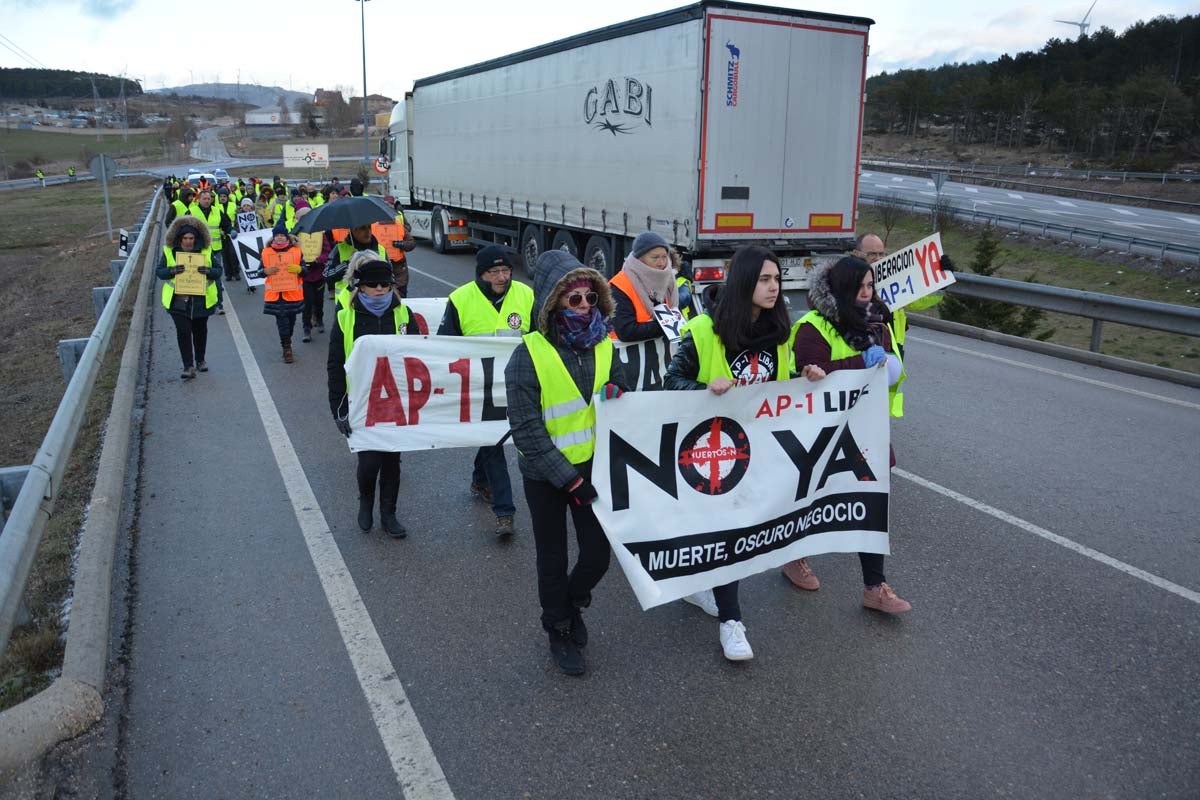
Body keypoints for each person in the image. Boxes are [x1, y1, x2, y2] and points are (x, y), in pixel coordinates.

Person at [664, 245, 824, 661]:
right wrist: (706, 390)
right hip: (711, 451)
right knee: (726, 531)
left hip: (759, 452)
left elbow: (777, 385)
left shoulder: (779, 332)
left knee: (731, 532)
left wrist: (803, 378)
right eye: (765, 280)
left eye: (777, 279)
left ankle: (705, 589)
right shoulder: (703, 329)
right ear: (743, 284)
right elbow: (671, 382)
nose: (775, 288)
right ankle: (732, 622)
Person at [504, 250, 632, 676]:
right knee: (552, 557)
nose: (583, 307)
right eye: (572, 299)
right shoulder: (528, 355)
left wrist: (618, 388)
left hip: (593, 468)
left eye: (589, 299)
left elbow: (622, 385)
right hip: (546, 476)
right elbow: (526, 429)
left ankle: (572, 603)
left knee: (597, 555)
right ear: (552, 302)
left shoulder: (604, 344)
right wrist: (569, 480)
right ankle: (557, 626)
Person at [788, 255, 912, 614]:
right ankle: (795, 557)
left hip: (866, 434)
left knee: (871, 507)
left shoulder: (879, 324)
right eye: (859, 287)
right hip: (820, 438)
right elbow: (809, 379)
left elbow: (890, 372)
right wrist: (862, 362)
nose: (866, 293)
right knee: (810, 504)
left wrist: (888, 364)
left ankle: (875, 586)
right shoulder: (813, 327)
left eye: (870, 286)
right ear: (840, 288)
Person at [438, 245, 535, 537]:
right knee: (494, 442)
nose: (503, 277)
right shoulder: (460, 299)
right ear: (481, 274)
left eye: (506, 270)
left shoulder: (525, 295)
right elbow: (445, 345)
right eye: (495, 272)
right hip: (480, 388)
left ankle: (480, 481)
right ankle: (505, 512)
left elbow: (538, 338)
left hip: (517, 384)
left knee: (494, 439)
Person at [327, 257, 419, 539]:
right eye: (372, 285)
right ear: (361, 287)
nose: (379, 289)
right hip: (361, 402)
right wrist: (338, 409)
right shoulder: (346, 317)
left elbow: (419, 358)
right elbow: (335, 365)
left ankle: (389, 514)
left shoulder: (404, 314)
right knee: (369, 462)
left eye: (384, 284)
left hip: (395, 402)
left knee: (392, 461)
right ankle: (365, 500)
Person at [853, 233, 948, 359]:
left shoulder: (894, 278)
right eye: (872, 254)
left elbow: (918, 301)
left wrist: (940, 282)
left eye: (881, 254)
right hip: (862, 346)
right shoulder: (847, 278)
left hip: (893, 346)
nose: (877, 258)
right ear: (856, 253)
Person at [156, 216, 220, 380]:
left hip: (201, 300)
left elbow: (218, 271)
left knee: (200, 331)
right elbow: (160, 272)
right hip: (178, 301)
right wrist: (171, 271)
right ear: (180, 238)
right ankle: (188, 366)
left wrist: (208, 271)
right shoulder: (170, 252)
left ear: (196, 239)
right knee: (183, 332)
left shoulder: (205, 251)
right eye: (185, 238)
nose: (188, 241)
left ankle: (200, 360)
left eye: (191, 238)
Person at [609, 231, 681, 342]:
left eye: (664, 257)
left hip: (659, 355)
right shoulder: (620, 285)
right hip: (626, 356)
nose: (661, 263)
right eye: (655, 258)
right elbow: (626, 331)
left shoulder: (668, 280)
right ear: (639, 259)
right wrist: (667, 326)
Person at [262, 219, 306, 363]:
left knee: (291, 321)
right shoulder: (266, 252)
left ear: (287, 237)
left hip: (292, 294)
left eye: (282, 235)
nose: (279, 237)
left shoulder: (296, 251)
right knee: (282, 322)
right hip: (276, 295)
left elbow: (305, 271)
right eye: (277, 235)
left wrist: (300, 269)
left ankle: (288, 341)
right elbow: (258, 272)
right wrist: (265, 271)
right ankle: (286, 348)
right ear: (273, 237)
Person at [188, 189, 230, 314]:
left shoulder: (217, 211)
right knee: (197, 277)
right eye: (204, 198)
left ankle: (218, 305)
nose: (207, 201)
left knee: (215, 277)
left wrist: (230, 231)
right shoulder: (191, 212)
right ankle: (198, 305)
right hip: (197, 250)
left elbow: (227, 224)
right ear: (199, 199)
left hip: (215, 249)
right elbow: (183, 227)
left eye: (209, 198)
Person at [324, 223, 388, 307]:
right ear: (353, 230)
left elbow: (391, 277)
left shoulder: (380, 249)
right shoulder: (340, 249)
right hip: (346, 304)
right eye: (363, 228)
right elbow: (327, 274)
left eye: (369, 227)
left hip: (376, 304)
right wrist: (348, 264)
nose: (368, 231)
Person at [373, 196, 416, 298]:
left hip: (398, 268)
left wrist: (401, 244)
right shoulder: (373, 227)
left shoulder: (399, 226)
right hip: (381, 266)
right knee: (384, 296)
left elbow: (411, 243)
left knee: (400, 297)